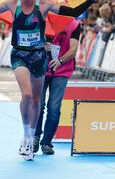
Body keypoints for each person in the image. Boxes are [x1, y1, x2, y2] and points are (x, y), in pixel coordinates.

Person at [0, 0, 102, 161]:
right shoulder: (12, 4)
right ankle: (27, 136)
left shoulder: (44, 6)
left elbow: (73, 13)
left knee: (36, 101)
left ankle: (33, 135)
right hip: (19, 55)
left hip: (38, 57)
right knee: (26, 94)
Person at [33, 19, 81, 155]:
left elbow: (73, 49)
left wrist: (60, 60)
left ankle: (47, 142)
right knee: (38, 105)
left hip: (61, 70)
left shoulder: (74, 24)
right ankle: (35, 137)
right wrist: (41, 45)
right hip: (40, 69)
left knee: (54, 107)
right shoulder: (39, 19)